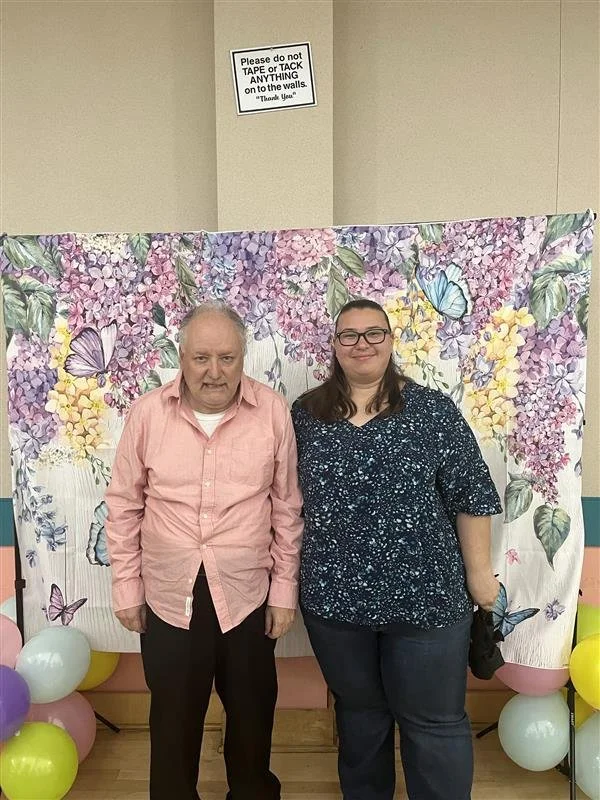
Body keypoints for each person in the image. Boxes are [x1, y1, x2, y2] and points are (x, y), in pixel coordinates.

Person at [291, 298, 502, 800]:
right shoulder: (306, 415)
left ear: (390, 341)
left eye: (374, 333)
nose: (361, 343)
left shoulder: (432, 411)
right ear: (335, 346)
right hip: (336, 602)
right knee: (361, 721)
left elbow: (471, 495)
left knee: (433, 723)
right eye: (349, 334)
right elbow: (281, 499)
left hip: (427, 600)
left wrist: (479, 574)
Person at [105, 301, 304, 800]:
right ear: (181, 356)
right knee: (173, 721)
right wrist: (127, 588)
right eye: (201, 358)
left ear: (243, 357)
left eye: (227, 358)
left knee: (253, 717)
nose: (214, 372)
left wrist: (283, 592)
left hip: (248, 594)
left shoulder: (273, 411)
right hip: (170, 596)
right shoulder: (147, 413)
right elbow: (124, 505)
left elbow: (286, 506)